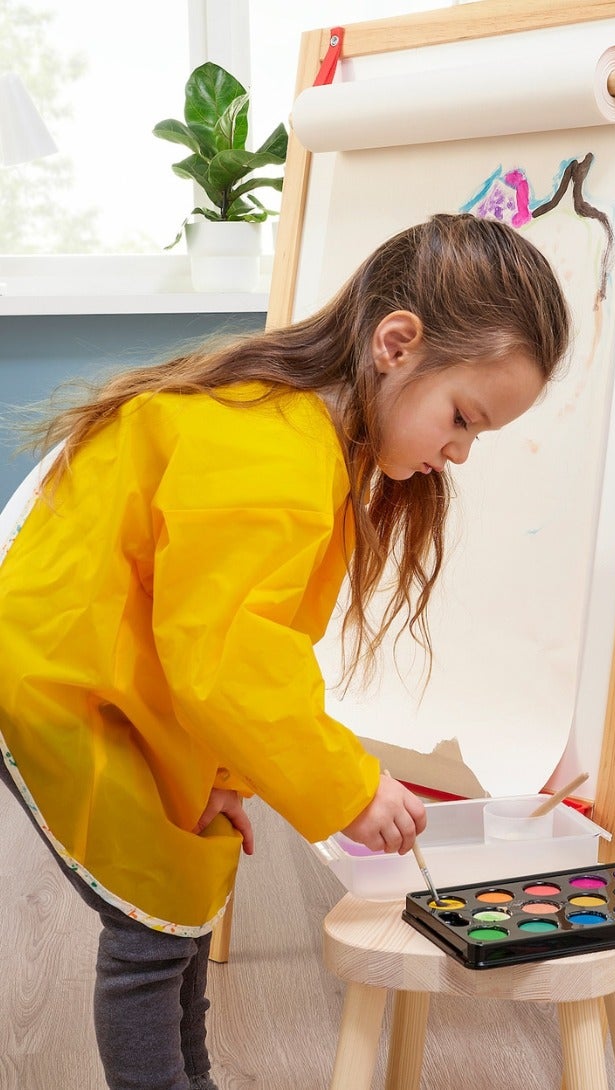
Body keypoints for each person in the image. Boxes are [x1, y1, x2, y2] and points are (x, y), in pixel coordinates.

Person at [0, 212, 570, 1090]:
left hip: (104, 663)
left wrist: (218, 775)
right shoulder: (274, 456)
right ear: (396, 344)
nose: (457, 451)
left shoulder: (294, 434)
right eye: (462, 417)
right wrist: (345, 784)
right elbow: (228, 655)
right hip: (51, 673)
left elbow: (212, 633)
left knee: (184, 897)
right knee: (153, 928)